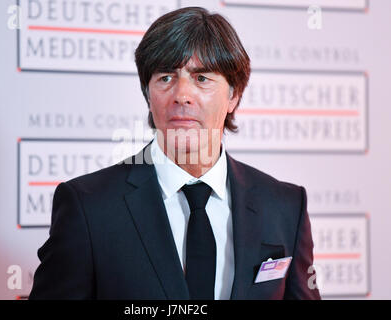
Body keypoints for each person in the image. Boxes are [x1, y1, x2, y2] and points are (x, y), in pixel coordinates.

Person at [29, 7, 321, 300]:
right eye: (166, 78)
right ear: (147, 93)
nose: (182, 95)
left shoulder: (284, 207)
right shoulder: (89, 207)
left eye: (202, 78)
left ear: (234, 95)